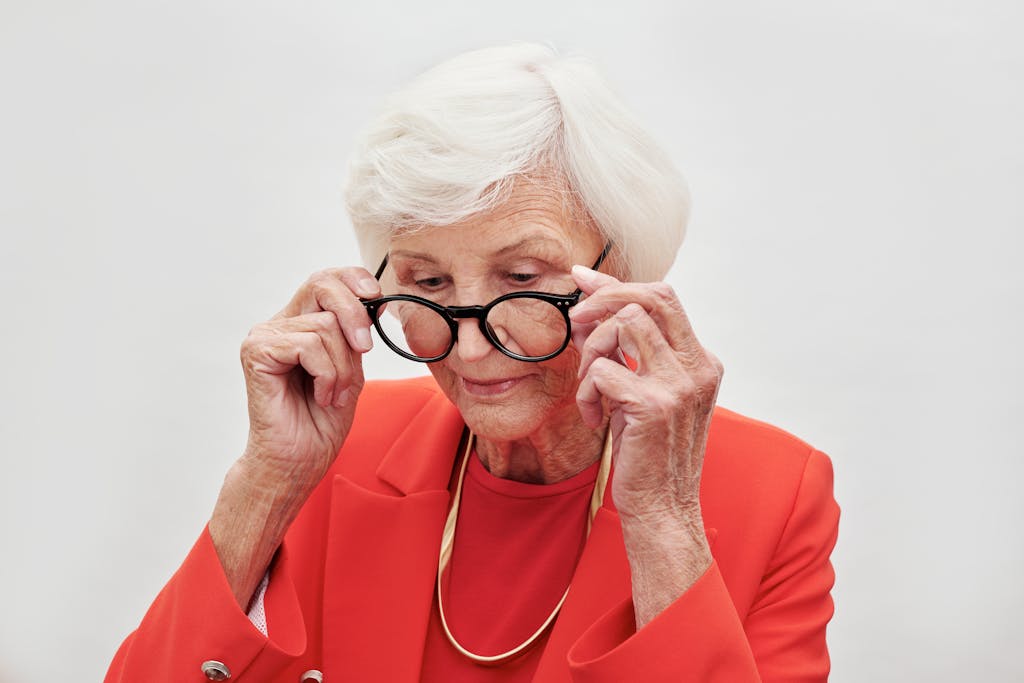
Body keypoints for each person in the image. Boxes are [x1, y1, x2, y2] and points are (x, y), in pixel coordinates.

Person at [105, 43, 839, 682]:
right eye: (427, 284)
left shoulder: (774, 492)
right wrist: (264, 484)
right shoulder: (342, 449)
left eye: (522, 279)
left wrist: (663, 523)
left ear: (625, 273)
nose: (470, 346)